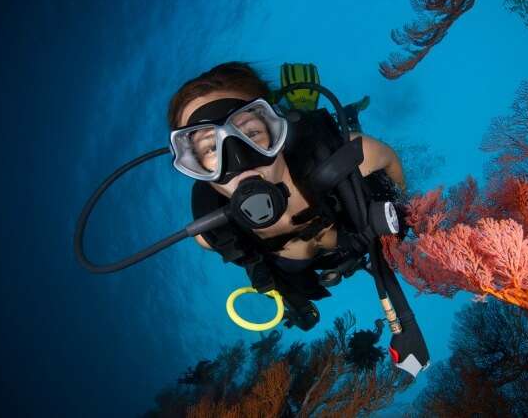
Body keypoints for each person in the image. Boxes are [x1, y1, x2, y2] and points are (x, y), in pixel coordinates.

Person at [167, 61, 406, 330]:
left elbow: (391, 163)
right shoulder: (212, 235)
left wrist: (404, 210)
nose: (239, 161)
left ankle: (345, 114)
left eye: (252, 132)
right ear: (194, 165)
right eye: (211, 149)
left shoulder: (353, 156)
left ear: (277, 129)